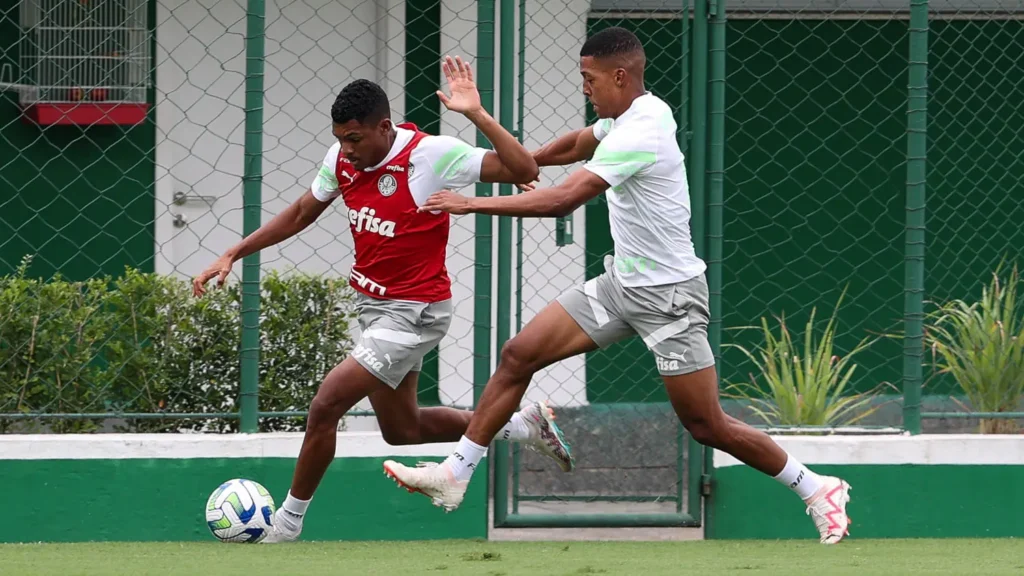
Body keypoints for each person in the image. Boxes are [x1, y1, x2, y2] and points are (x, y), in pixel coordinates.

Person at [381, 28, 852, 545]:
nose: (585, 87)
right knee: (519, 355)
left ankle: (818, 487)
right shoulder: (626, 118)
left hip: (670, 298)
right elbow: (576, 144)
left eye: (590, 79)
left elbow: (562, 200)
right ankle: (456, 473)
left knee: (706, 425)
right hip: (620, 285)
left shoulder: (641, 131)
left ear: (620, 76)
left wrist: (470, 202)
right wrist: (515, 153)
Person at [192, 56, 575, 543]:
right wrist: (234, 251)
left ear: (384, 127)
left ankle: (286, 524)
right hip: (375, 310)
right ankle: (521, 426)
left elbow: (524, 168)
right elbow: (302, 212)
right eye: (340, 139)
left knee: (326, 405)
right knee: (403, 429)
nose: (346, 150)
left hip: (416, 311)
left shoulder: (433, 155)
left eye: (354, 139)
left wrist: (477, 114)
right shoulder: (341, 161)